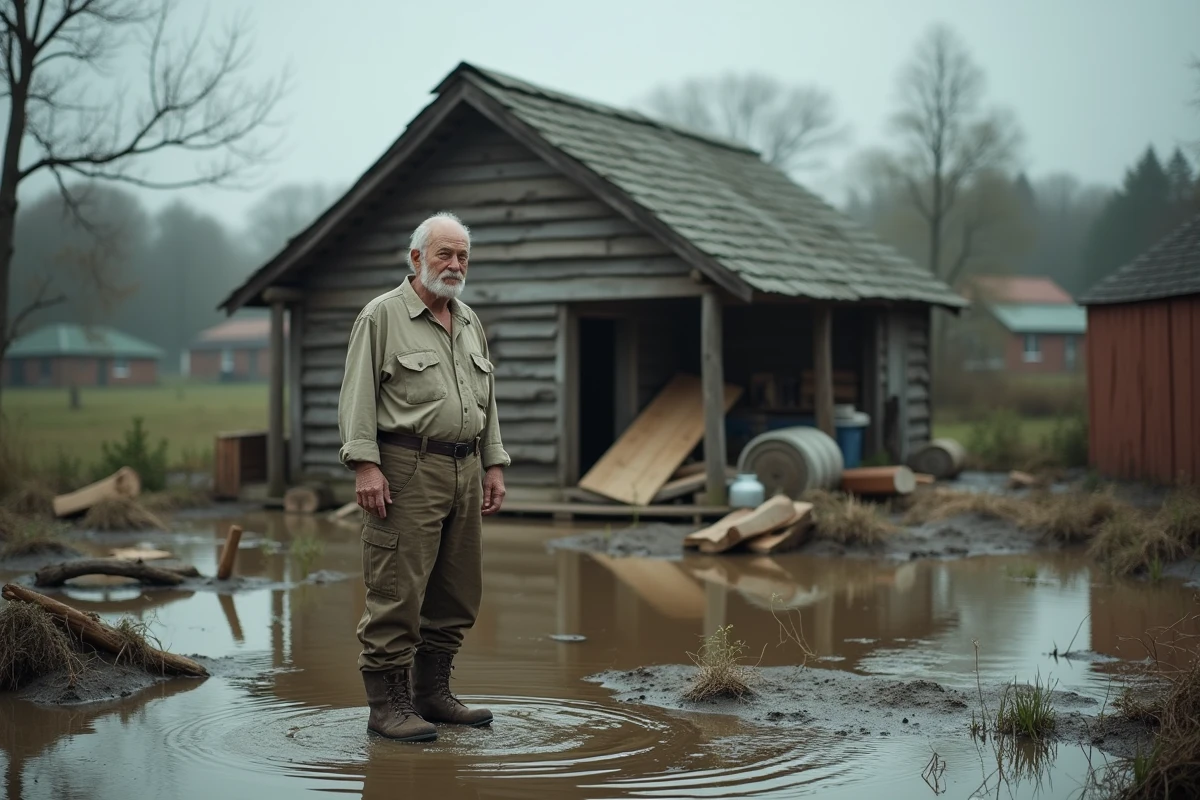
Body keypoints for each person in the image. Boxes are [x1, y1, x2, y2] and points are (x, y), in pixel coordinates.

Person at [337, 210, 509, 743]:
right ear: (416, 258)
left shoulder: (470, 320)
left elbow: (486, 399)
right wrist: (366, 464)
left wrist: (494, 463)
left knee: (457, 591)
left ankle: (433, 696)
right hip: (406, 467)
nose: (455, 265)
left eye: (462, 256)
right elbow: (357, 397)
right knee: (397, 590)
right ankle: (387, 709)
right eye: (445, 254)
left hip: (464, 468)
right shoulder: (381, 317)